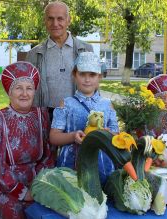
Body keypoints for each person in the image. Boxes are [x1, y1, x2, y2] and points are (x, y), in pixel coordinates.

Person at [0, 62, 54, 219]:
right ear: (9, 92)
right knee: (14, 212)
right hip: (0, 185)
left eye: (29, 88)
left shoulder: (42, 115)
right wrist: (21, 191)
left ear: (34, 91)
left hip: (35, 182)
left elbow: (49, 154)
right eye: (18, 88)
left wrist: (38, 185)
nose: (24, 93)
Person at [49, 52, 119, 185]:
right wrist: (73, 136)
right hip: (71, 167)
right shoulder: (66, 104)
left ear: (99, 77)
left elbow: (117, 136)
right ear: (74, 75)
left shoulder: (107, 104)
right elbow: (54, 137)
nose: (87, 80)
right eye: (82, 74)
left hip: (103, 166)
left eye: (92, 75)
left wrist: (106, 134)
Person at [26, 1, 93, 120]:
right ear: (45, 21)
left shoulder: (86, 50)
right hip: (45, 116)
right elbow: (27, 88)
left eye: (60, 19)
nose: (55, 23)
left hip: (79, 115)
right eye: (50, 19)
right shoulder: (34, 54)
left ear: (69, 20)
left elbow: (94, 85)